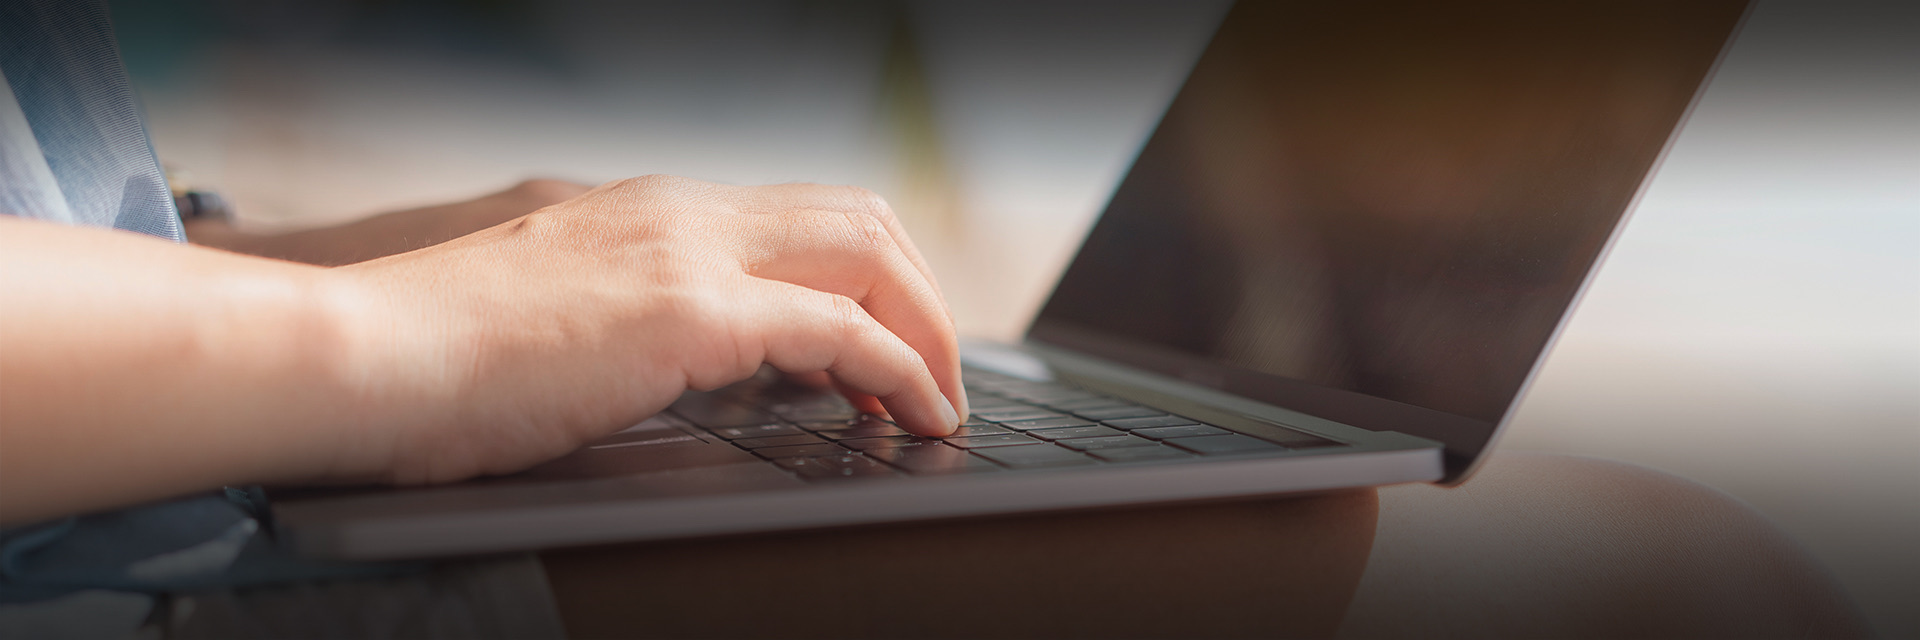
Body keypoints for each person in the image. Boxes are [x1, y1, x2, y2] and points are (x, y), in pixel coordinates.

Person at [0, 1, 1873, 638]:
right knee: (1676, 582)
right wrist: (400, 345)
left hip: (159, 433)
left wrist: (372, 264)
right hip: (129, 559)